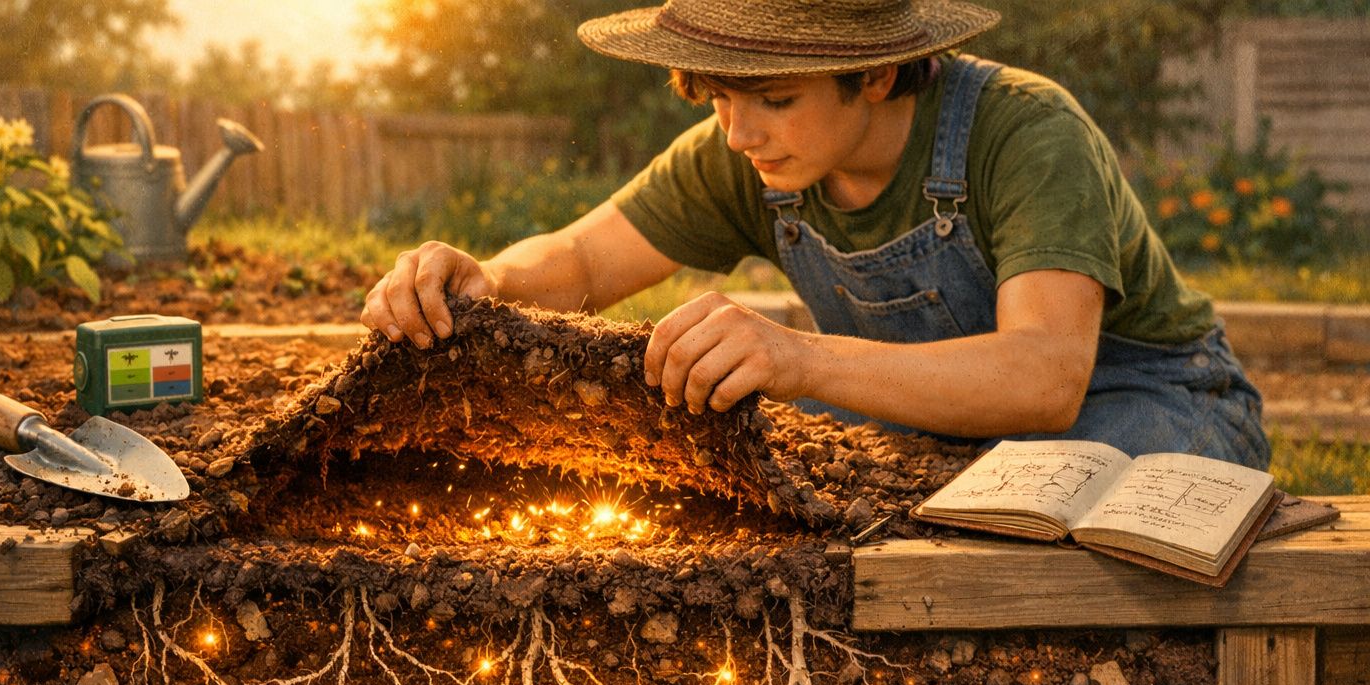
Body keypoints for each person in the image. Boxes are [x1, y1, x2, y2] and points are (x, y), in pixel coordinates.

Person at [360, 0, 1270, 470]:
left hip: (1136, 393)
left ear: (874, 74)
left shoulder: (1027, 131)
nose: (736, 134)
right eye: (717, 98)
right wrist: (488, 278)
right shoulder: (752, 152)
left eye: (773, 99)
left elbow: (1045, 377)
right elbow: (585, 259)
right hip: (913, 407)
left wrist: (796, 357)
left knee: (1045, 518)